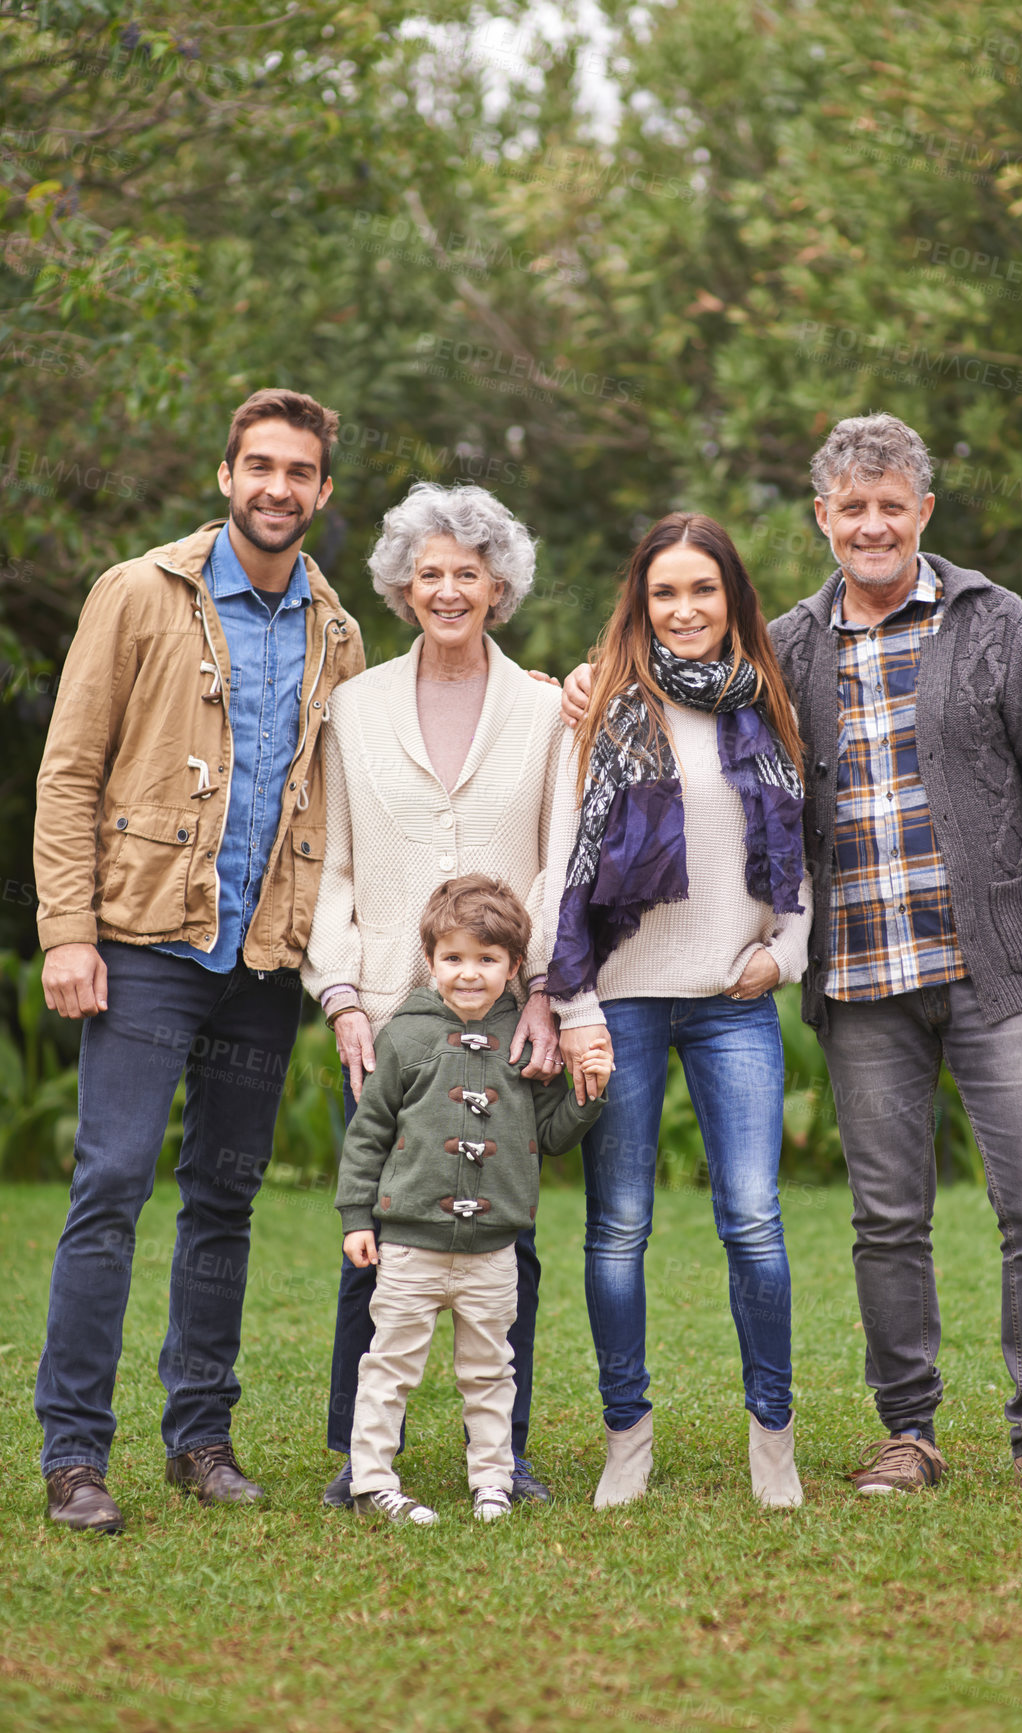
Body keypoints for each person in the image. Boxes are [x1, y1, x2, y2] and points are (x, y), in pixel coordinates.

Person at [563, 413, 1022, 1503]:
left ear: (923, 512)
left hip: (1004, 976)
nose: (872, 524)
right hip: (862, 983)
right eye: (851, 506)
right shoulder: (788, 649)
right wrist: (588, 695)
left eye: (893, 504)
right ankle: (907, 1432)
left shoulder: (998, 625)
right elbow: (687, 705)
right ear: (822, 517)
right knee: (887, 1219)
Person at [33, 388, 365, 1533]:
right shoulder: (137, 592)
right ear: (227, 476)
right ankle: (75, 1451)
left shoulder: (338, 630)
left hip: (263, 958)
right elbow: (70, 770)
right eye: (258, 465)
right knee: (112, 1184)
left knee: (223, 1195)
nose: (278, 486)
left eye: (300, 471)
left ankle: (201, 1437)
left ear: (323, 492)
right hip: (144, 943)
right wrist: (67, 930)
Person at [302, 482, 581, 1509]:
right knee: (377, 1225)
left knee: (512, 1235)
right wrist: (340, 996)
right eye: (431, 572)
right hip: (387, 1015)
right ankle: (356, 1453)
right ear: (403, 587)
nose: (449, 588)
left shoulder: (548, 708)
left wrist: (543, 994)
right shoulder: (355, 705)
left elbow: (557, 863)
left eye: (469, 571)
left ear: (498, 584)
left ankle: (502, 1453)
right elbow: (329, 864)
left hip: (506, 1019)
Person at [545, 512, 813, 1511]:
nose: (685, 608)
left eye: (703, 589)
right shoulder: (600, 708)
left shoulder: (771, 707)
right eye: (666, 592)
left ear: (732, 598)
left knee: (753, 1218)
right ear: (642, 603)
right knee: (618, 1226)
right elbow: (560, 869)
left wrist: (781, 956)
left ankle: (773, 1435)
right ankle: (627, 1434)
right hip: (619, 1003)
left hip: (731, 1002)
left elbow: (801, 861)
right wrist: (572, 1003)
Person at [336, 875, 609, 1524]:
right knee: (388, 1367)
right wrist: (356, 1217)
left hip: (493, 1251)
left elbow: (549, 1132)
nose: (468, 973)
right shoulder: (404, 1035)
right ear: (430, 961)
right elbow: (367, 1132)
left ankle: (493, 1478)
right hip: (408, 1243)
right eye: (454, 958)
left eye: (487, 960)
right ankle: (372, 1480)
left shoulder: (522, 1038)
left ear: (515, 966)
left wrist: (588, 1093)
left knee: (490, 1372)